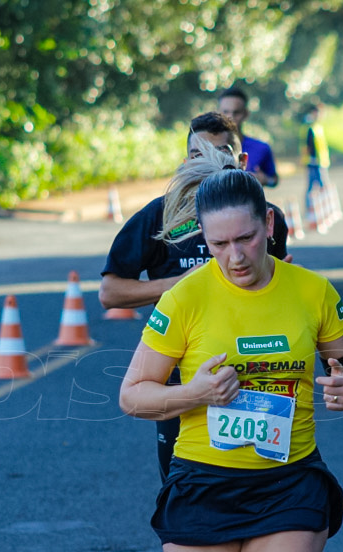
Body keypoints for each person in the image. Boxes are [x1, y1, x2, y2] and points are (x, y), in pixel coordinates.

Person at [119, 154, 343, 552]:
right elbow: (133, 396)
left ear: (269, 225)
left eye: (246, 239)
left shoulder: (311, 290)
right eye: (218, 245)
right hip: (203, 484)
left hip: (290, 482)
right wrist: (196, 393)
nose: (234, 257)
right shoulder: (186, 297)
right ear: (204, 240)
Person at [99, 111, 290, 482]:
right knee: (184, 485)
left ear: (241, 161)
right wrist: (181, 284)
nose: (211, 165)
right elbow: (110, 292)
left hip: (256, 375)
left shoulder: (267, 218)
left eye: (221, 153)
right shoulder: (161, 215)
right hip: (179, 375)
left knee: (263, 481)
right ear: (186, 162)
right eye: (199, 156)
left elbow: (276, 293)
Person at [217, 86, 278, 187]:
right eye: (226, 112)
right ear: (218, 113)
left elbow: (274, 180)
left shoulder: (262, 148)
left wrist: (264, 180)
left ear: (246, 114)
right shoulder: (207, 147)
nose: (230, 117)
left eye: (236, 112)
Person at [300, 102, 330, 225]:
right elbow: (307, 146)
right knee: (313, 187)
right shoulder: (310, 128)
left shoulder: (318, 127)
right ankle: (311, 211)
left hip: (321, 162)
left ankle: (322, 209)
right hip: (313, 162)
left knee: (321, 186)